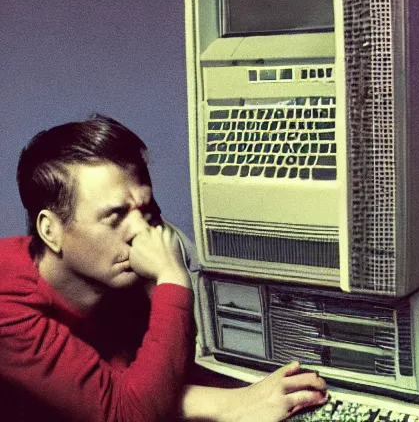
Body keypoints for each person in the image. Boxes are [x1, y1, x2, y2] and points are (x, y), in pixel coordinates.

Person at [0, 114, 328, 421]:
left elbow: (146, 379)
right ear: (50, 231)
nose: (142, 232)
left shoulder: (118, 272)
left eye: (145, 209)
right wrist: (171, 280)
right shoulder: (6, 303)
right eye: (115, 217)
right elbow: (127, 412)